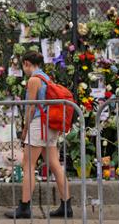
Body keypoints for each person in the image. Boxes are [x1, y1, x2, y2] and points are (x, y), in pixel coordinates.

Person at [5, 51, 72, 219]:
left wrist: (25, 129)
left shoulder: (34, 80)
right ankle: (66, 205)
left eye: (23, 66)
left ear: (27, 63)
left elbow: (31, 107)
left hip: (38, 125)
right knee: (55, 165)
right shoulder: (46, 78)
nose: (24, 69)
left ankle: (25, 207)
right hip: (50, 125)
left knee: (28, 165)